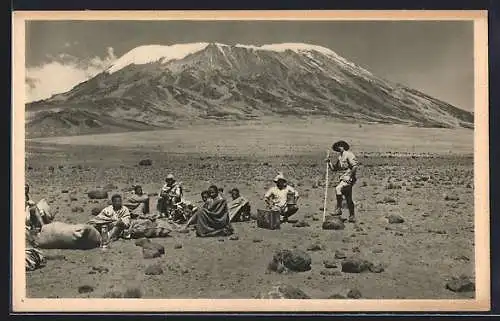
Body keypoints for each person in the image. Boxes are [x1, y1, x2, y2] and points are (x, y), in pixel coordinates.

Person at [326, 140, 359, 223]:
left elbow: (354, 166)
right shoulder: (340, 157)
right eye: (337, 146)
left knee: (338, 189)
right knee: (348, 198)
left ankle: (339, 209)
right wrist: (329, 162)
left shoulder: (349, 154)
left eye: (340, 145)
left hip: (348, 178)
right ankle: (352, 216)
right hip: (342, 178)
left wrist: (350, 177)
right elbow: (334, 169)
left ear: (344, 146)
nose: (339, 147)